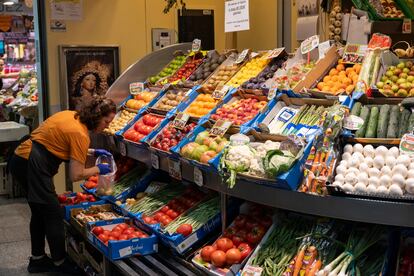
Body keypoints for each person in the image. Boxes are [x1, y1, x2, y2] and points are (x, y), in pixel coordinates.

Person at [8, 95, 116, 274]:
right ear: (97, 117)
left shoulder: (70, 115)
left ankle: (38, 260)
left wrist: (92, 151)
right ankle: (60, 264)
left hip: (21, 157)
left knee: (39, 211)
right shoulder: (80, 134)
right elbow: (76, 175)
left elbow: (62, 141)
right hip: (32, 164)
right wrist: (99, 169)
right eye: (106, 121)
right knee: (53, 213)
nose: (108, 126)